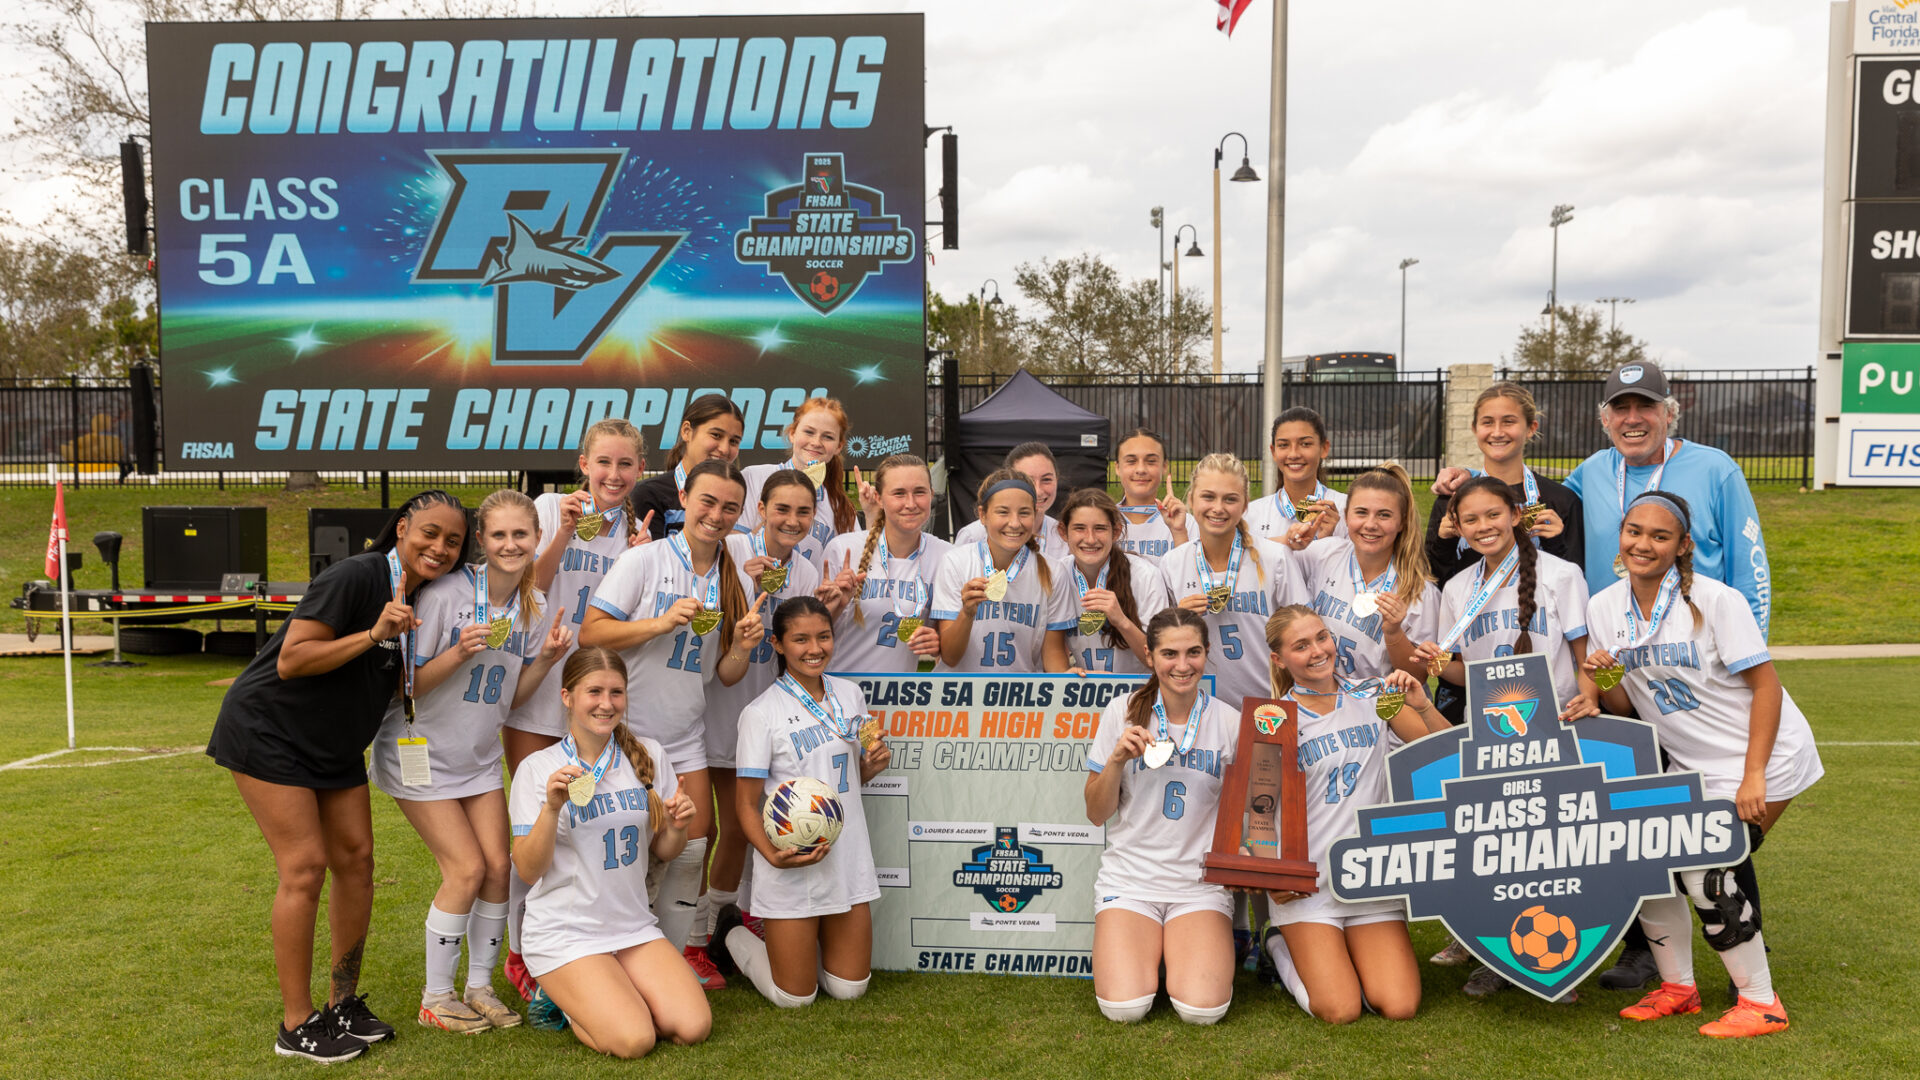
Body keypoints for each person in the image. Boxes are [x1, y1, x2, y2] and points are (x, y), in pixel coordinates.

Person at [207, 490, 468, 1063]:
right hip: (271, 731)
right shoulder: (358, 575)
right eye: (429, 532)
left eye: (453, 540)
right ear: (402, 528)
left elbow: (407, 682)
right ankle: (296, 1024)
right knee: (305, 868)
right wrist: (374, 633)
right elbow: (292, 659)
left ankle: (342, 1003)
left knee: (357, 861)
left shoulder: (433, 595)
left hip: (336, 745)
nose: (440, 547)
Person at [1578, 491, 1822, 1038]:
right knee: (1645, 862)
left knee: (1706, 866)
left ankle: (1761, 1003)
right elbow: (1625, 707)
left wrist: (1753, 774)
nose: (1644, 544)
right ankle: (1678, 988)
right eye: (1634, 531)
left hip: (1763, 755)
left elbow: (1766, 686)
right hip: (1689, 764)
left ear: (1683, 545)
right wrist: (1604, 683)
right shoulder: (1603, 606)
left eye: (1660, 536)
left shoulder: (1716, 600)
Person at [369, 491, 571, 1032]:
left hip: (478, 757)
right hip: (423, 753)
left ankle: (479, 987)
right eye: (499, 535)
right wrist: (458, 652)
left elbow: (515, 696)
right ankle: (436, 997)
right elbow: (401, 689)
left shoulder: (532, 605)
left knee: (499, 868)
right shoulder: (446, 595)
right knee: (465, 869)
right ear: (482, 540)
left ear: (536, 540)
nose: (511, 545)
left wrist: (547, 658)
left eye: (521, 535)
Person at [1409, 474, 1595, 998]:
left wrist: (1590, 697)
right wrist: (1435, 663)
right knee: (1497, 851)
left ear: (1515, 513)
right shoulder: (1457, 587)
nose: (1483, 526)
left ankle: (1566, 961)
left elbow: (1583, 658)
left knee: (1554, 854)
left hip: (1555, 730)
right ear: (1459, 529)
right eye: (1471, 519)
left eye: (1493, 514)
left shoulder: (1562, 576)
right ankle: (1495, 954)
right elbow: (1461, 674)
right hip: (1490, 732)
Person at [579, 460, 761, 970]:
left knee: (691, 846)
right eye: (707, 501)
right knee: (622, 847)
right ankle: (606, 952)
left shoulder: (731, 575)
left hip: (684, 733)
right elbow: (591, 633)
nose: (716, 514)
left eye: (729, 507)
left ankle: (679, 955)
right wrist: (658, 623)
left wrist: (743, 647)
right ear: (684, 497)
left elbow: (724, 674)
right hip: (625, 731)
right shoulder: (646, 560)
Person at [502, 418, 649, 1001]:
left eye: (626, 465)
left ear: (641, 471)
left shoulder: (638, 530)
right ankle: (522, 955)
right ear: (583, 462)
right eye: (604, 463)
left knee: (595, 824)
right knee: (536, 823)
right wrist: (559, 533)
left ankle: (600, 944)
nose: (614, 475)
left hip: (597, 689)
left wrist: (641, 559)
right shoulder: (548, 507)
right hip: (543, 679)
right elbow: (525, 586)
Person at [507, 647, 709, 1057]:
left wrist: (676, 826)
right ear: (567, 697)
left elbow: (666, 852)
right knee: (634, 1040)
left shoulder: (647, 755)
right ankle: (563, 995)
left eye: (616, 692)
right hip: (566, 933)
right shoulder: (537, 768)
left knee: (693, 1026)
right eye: (593, 691)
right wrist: (551, 808)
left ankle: (611, 986)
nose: (606, 703)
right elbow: (528, 870)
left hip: (632, 925)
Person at [1261, 605, 1448, 1023]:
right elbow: (1255, 807)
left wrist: (1421, 704)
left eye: (1321, 637)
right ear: (1279, 659)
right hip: (1310, 884)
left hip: (1370, 875)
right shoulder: (1272, 719)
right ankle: (1277, 943)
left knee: (1400, 1006)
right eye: (1301, 645)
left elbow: (1444, 757)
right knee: (1339, 1009)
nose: (1317, 651)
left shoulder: (1373, 694)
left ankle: (1345, 960)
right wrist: (1270, 872)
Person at [712, 596, 890, 1007]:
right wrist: (772, 856)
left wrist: (872, 766)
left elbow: (848, 780)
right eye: (801, 639)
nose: (815, 649)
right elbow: (744, 805)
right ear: (777, 644)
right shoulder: (760, 714)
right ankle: (731, 931)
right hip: (792, 861)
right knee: (795, 998)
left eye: (824, 637)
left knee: (850, 989)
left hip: (846, 855)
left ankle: (802, 946)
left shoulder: (850, 695)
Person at [689, 469, 829, 990]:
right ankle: (694, 937)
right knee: (707, 832)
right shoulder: (730, 548)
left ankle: (719, 925)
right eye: (782, 509)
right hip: (716, 704)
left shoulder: (808, 570)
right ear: (761, 510)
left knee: (743, 831)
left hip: (767, 712)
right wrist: (744, 580)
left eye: (803, 512)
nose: (792, 520)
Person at [1083, 608, 1239, 1025]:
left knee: (1201, 1011)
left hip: (1199, 885)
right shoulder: (1122, 711)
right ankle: (1156, 953)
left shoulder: (1230, 722)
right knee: (1124, 1008)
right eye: (1169, 653)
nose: (1183, 665)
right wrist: (1115, 760)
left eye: (1193, 652)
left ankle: (1189, 952)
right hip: (1131, 880)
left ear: (1207, 654)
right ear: (1150, 656)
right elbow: (1096, 813)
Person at [1162, 453, 1308, 711]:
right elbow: (1160, 646)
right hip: (1198, 709)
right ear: (1192, 500)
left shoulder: (1275, 558)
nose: (1218, 508)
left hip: (1267, 706)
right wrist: (1177, 619)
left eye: (1230, 499)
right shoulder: (1173, 563)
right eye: (1208, 497)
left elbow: (1303, 634)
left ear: (1245, 505)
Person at [1424, 382, 1583, 586]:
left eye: (1509, 422)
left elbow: (1575, 585)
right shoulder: (1451, 501)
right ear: (1474, 429)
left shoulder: (1561, 500)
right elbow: (1433, 585)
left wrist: (1556, 545)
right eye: (1487, 422)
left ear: (1531, 428)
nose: (1497, 432)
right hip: (1472, 617)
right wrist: (1445, 543)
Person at [1290, 463, 1435, 682]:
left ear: (1402, 522)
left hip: (1377, 712)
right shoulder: (1323, 553)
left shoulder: (1420, 592)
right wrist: (1288, 541)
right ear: (1347, 515)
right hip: (1321, 702)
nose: (1370, 524)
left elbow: (1419, 676)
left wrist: (1394, 632)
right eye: (1361, 513)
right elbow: (1266, 566)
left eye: (1384, 515)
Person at [931, 469, 1075, 673]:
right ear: (982, 515)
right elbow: (950, 657)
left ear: (1035, 514)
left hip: (1019, 699)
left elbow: (1052, 652)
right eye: (1003, 512)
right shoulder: (956, 562)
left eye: (1024, 513)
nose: (1014, 523)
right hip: (960, 699)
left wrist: (1065, 681)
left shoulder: (1053, 571)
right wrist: (967, 613)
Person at [819, 454, 951, 674]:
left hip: (894, 698)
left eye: (919, 492)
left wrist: (939, 643)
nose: (910, 503)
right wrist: (835, 606)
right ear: (879, 498)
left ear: (931, 494)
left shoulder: (947, 557)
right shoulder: (843, 549)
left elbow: (950, 642)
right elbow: (812, 631)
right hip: (839, 693)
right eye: (899, 493)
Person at [1057, 488, 1168, 674]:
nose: (1090, 539)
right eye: (1079, 528)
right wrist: (1065, 674)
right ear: (1063, 532)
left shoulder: (1145, 576)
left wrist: (1121, 621)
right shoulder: (1058, 575)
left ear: (1115, 532)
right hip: (1081, 692)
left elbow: (1160, 661)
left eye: (1100, 528)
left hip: (1136, 694)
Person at [740, 397, 858, 568]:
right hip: (750, 591)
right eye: (809, 432)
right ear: (793, 433)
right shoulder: (754, 477)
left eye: (828, 437)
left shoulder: (841, 508)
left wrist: (871, 514)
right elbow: (733, 546)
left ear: (839, 446)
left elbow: (854, 564)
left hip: (807, 591)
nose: (816, 442)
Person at [630, 394, 746, 542]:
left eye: (734, 441)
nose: (724, 449)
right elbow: (654, 561)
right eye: (716, 435)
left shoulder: (738, 497)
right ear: (686, 431)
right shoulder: (648, 495)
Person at [1244, 407, 1348, 543]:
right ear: (1273, 452)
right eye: (1283, 445)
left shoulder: (1347, 510)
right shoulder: (1251, 515)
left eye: (1305, 444)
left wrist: (1328, 542)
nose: (1293, 454)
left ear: (1324, 448)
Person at [952, 441, 1070, 560]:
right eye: (1027, 480)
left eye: (1046, 480)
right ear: (1008, 479)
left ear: (1057, 479)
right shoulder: (973, 536)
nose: (1038, 491)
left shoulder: (1063, 536)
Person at [1112, 428, 1189, 561]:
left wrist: (1179, 533)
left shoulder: (1186, 523)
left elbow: (1191, 577)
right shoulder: (1102, 521)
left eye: (1151, 461)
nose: (1141, 469)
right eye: (1131, 461)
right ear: (1117, 468)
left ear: (1164, 466)